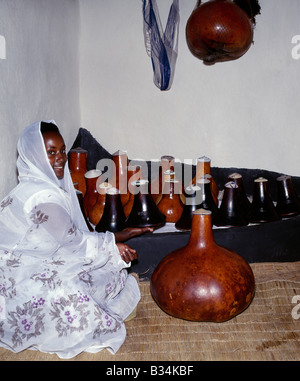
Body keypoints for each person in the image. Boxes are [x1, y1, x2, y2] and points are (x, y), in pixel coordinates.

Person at [0, 120, 152, 359]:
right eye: (51, 153)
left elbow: (68, 236)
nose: (60, 158)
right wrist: (114, 245)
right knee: (76, 291)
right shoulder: (42, 196)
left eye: (62, 151)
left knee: (102, 271)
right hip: (13, 280)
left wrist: (120, 236)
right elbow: (75, 243)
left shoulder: (33, 185)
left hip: (28, 262)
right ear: (34, 156)